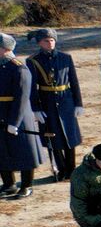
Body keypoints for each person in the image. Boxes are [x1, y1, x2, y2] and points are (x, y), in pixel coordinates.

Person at [26, 27, 83, 180]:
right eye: (46, 41)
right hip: (47, 102)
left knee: (70, 137)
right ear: (39, 43)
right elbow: (32, 88)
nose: (50, 43)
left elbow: (74, 82)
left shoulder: (66, 57)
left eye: (52, 40)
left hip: (66, 100)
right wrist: (36, 109)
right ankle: (60, 169)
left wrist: (78, 103)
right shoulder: (33, 61)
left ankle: (72, 169)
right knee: (54, 137)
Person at [1, 33, 42, 198]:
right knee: (2, 150)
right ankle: (9, 184)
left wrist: (14, 122)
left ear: (5, 49)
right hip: (1, 113)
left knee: (24, 151)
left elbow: (22, 97)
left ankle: (26, 185)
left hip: (18, 116)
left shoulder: (19, 67)